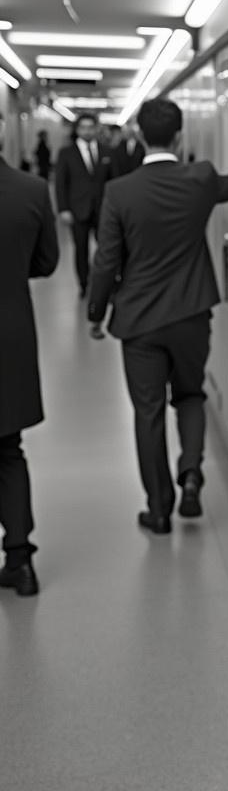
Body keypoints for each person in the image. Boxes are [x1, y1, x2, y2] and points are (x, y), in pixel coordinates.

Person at [87, 99, 228, 535]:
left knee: (148, 413)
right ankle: (192, 474)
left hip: (138, 321)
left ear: (141, 136)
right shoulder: (198, 179)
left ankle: (159, 510)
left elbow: (106, 261)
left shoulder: (119, 192)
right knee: (190, 395)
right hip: (191, 313)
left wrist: (95, 312)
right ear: (179, 137)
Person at [0, 112, 59, 596]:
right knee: (8, 450)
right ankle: (19, 561)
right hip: (10, 335)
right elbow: (46, 263)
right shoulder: (32, 190)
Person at [55, 112, 116, 297]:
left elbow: (115, 182)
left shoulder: (107, 152)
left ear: (96, 128)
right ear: (77, 129)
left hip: (103, 209)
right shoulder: (66, 153)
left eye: (91, 127)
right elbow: (60, 183)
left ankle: (105, 283)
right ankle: (84, 284)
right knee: (80, 249)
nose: (87, 131)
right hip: (77, 209)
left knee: (106, 248)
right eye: (83, 127)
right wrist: (63, 209)